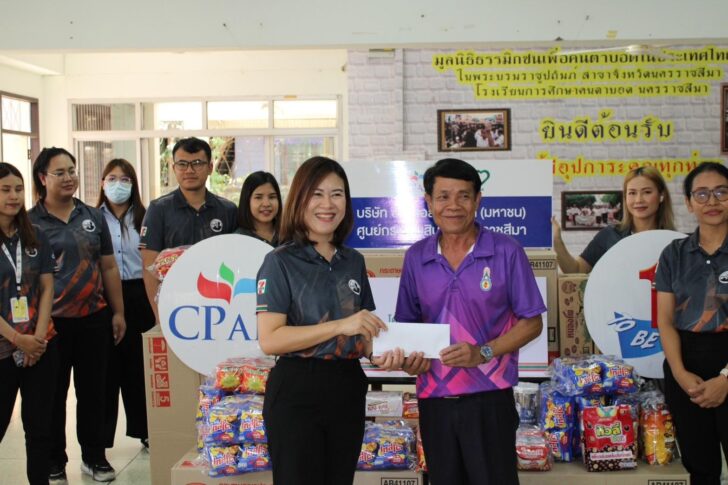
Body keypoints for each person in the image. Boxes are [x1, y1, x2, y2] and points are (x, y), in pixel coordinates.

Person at [394, 158, 545, 485]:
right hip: (435, 403)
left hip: (490, 400)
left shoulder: (506, 251)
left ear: (478, 200)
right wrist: (409, 361)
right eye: (443, 196)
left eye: (463, 196)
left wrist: (483, 352)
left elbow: (532, 323)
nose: (453, 205)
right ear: (428, 202)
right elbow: (406, 329)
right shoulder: (416, 257)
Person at [256, 156, 400, 485]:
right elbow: (270, 339)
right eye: (317, 194)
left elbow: (363, 334)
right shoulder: (279, 262)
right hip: (297, 389)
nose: (328, 204)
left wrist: (383, 354)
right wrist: (339, 326)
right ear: (300, 199)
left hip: (347, 387)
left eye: (337, 194)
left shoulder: (353, 261)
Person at [29, 147, 126, 484]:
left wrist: (118, 312)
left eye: (72, 170)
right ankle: (55, 461)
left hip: (93, 318)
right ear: (43, 178)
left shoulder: (93, 216)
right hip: (50, 323)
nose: (69, 177)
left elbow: (108, 267)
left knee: (94, 392)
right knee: (52, 396)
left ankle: (94, 457)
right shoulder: (29, 222)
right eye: (60, 172)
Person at [656, 161, 728, 485]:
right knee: (700, 468)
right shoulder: (674, 254)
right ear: (688, 203)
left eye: (721, 192)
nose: (712, 201)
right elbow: (665, 320)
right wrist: (680, 373)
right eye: (702, 194)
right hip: (686, 362)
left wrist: (726, 379)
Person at [0, 162, 57, 485]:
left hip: (40, 344)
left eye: (18, 189)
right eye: (5, 190)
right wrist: (16, 338)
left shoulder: (35, 235)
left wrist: (37, 337)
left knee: (40, 427)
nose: (13, 196)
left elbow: (47, 286)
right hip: (4, 346)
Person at [139, 137, 238, 320]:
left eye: (197, 163)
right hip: (174, 306)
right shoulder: (158, 209)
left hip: (219, 305)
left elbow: (236, 262)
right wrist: (160, 316)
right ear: (173, 167)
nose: (189, 170)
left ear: (210, 167)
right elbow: (149, 267)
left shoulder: (228, 210)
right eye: (182, 164)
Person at [96, 159, 155, 450]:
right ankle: (101, 438)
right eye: (112, 178)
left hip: (139, 293)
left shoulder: (146, 217)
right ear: (102, 183)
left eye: (125, 179)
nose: (117, 185)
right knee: (105, 369)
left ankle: (145, 430)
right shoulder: (93, 218)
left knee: (139, 367)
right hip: (104, 295)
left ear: (134, 184)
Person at [553, 165, 676, 273]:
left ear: (661, 195)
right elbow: (577, 270)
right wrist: (557, 241)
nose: (638, 200)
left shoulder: (675, 242)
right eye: (632, 193)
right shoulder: (609, 235)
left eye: (647, 192)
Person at [236, 171, 281, 246]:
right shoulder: (238, 240)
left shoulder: (289, 235)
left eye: (272, 197)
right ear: (246, 201)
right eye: (258, 197)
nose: (266, 204)